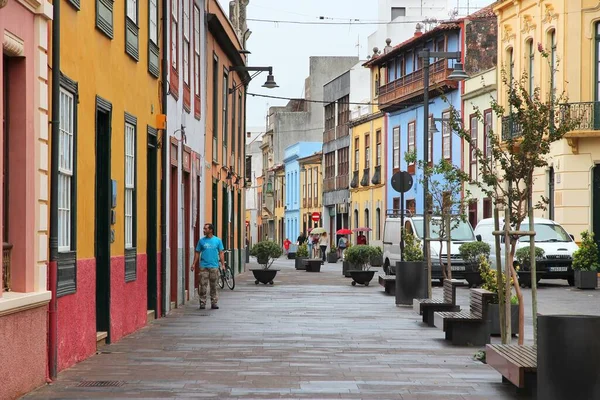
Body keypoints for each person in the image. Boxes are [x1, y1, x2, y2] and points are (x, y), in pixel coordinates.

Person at [190, 223, 225, 310]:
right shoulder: (201, 241)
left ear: (210, 230)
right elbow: (197, 252)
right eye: (204, 229)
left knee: (214, 285)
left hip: (214, 266)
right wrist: (194, 263)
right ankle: (202, 302)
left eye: (205, 229)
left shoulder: (217, 240)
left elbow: (221, 252)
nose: (204, 230)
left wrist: (223, 264)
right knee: (202, 285)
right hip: (203, 266)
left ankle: (214, 302)